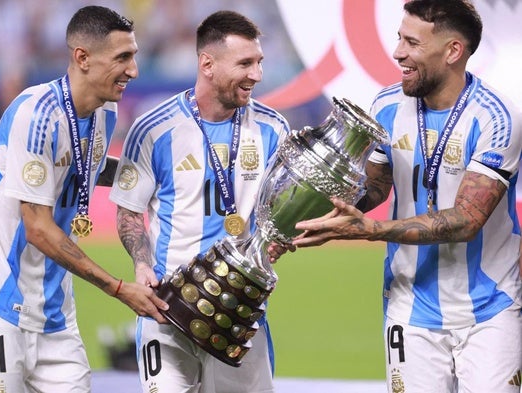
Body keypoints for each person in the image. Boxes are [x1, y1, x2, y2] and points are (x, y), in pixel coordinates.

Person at [293, 1, 522, 392]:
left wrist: (368, 229)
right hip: (409, 307)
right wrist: (326, 199)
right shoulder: (386, 105)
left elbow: (467, 219)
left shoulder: (497, 118)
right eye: (399, 38)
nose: (398, 52)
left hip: (490, 310)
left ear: (453, 51)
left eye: (412, 43)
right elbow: (376, 186)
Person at [0, 6, 167, 392]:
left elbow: (85, 167)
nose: (134, 70)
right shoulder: (35, 115)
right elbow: (38, 229)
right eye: (122, 57)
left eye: (134, 56)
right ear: (82, 58)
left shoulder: (104, 111)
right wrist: (119, 288)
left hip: (55, 313)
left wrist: (153, 177)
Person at [110, 10, 290, 393]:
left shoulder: (274, 129)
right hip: (167, 309)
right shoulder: (153, 128)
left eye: (259, 62)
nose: (256, 74)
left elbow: (282, 210)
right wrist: (142, 265)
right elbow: (129, 211)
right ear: (207, 64)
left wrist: (282, 236)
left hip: (240, 314)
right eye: (245, 63)